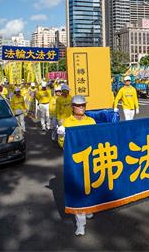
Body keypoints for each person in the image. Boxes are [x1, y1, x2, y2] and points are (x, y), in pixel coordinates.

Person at [56, 95, 96, 236]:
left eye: (83, 105)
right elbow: (63, 146)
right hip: (75, 162)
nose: (81, 108)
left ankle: (89, 208)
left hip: (90, 160)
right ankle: (81, 224)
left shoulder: (91, 121)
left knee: (89, 187)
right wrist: (61, 136)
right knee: (78, 191)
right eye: (78, 106)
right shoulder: (67, 123)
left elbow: (97, 139)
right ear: (73, 107)